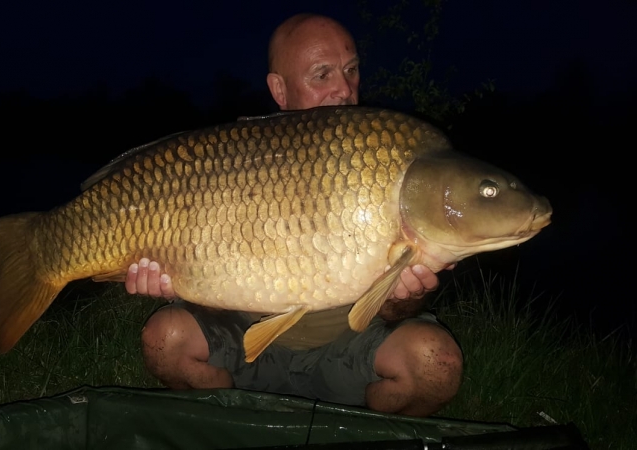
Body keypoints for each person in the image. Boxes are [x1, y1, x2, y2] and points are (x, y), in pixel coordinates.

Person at [124, 13, 463, 417]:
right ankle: (233, 427)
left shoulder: (380, 160)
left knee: (435, 364)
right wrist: (173, 281)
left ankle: (368, 434)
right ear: (279, 90)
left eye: (351, 70)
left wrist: (409, 294)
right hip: (249, 343)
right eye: (322, 75)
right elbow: (212, 293)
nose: (343, 88)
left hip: (346, 350)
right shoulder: (233, 160)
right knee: (166, 340)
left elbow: (391, 314)